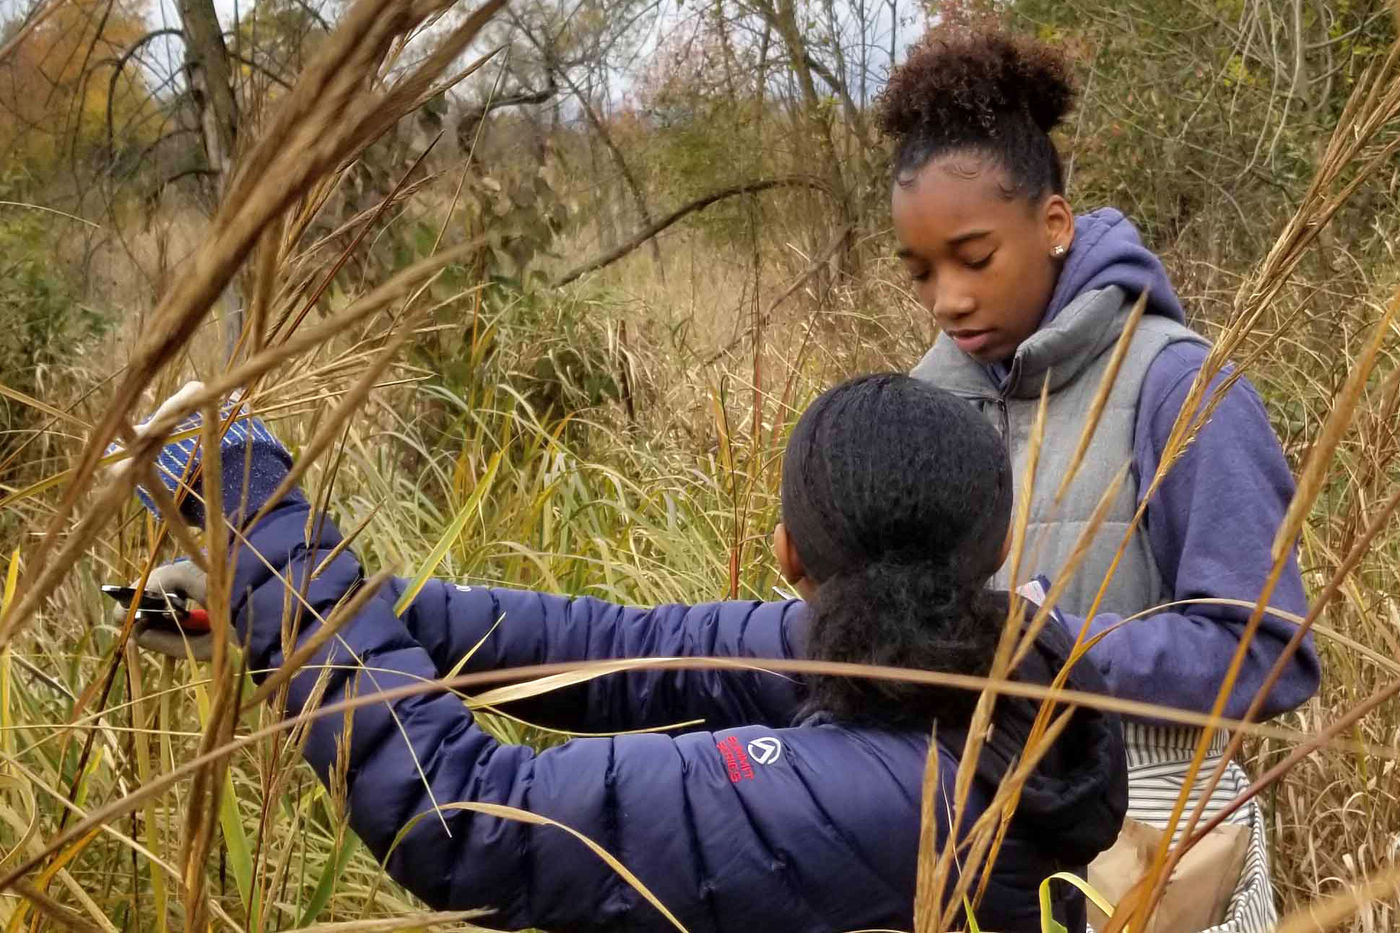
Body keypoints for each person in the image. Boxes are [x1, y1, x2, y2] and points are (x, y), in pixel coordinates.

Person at [115, 374, 1127, 932]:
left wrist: (255, 516)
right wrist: (283, 603)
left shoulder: (882, 805)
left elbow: (470, 822)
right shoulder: (971, 670)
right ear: (994, 549)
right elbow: (635, 651)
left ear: (786, 554)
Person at [881, 27, 1320, 931]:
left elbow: (1270, 649)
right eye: (921, 271)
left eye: (974, 256)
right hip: (970, 860)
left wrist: (1050, 645)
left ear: (1052, 225)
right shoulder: (921, 402)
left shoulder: (1178, 385)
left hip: (1159, 861)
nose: (947, 298)